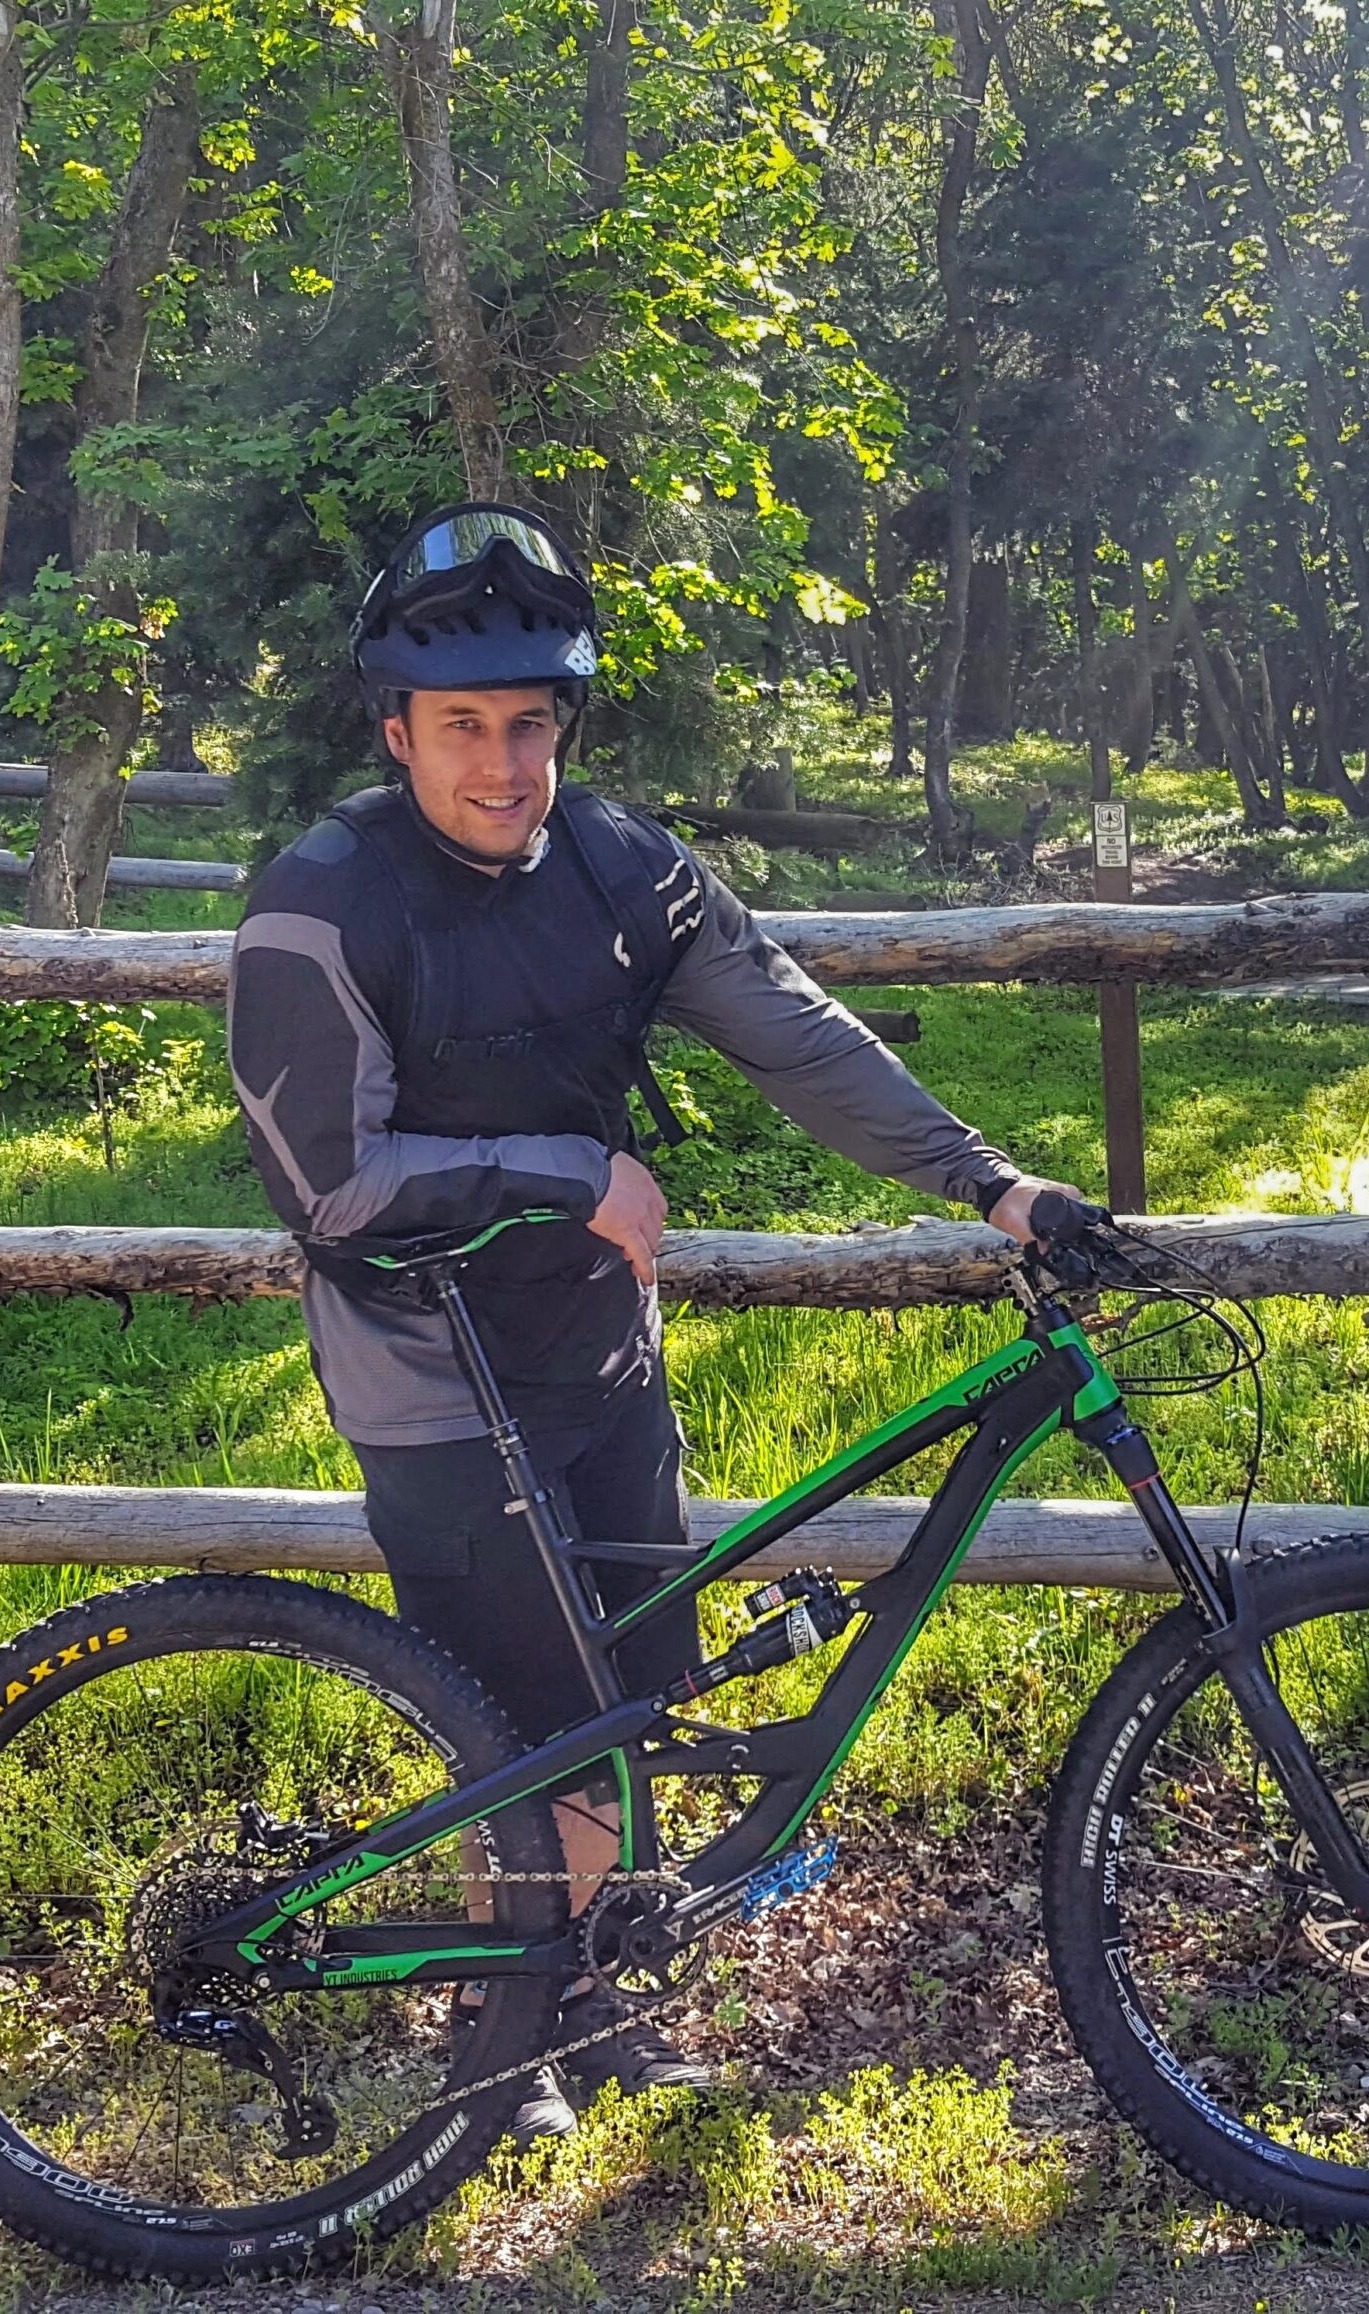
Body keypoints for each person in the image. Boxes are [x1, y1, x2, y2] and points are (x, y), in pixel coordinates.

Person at [228, 503, 1074, 2134]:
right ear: (396, 730)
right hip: (430, 1366)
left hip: (599, 1350)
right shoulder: (320, 902)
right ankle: (493, 2036)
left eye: (529, 724)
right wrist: (567, 1165)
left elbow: (796, 1033)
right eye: (462, 727)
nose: (500, 764)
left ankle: (582, 2006)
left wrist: (994, 1184)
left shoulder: (624, 868)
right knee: (516, 1709)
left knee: (631, 1696)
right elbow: (328, 1187)